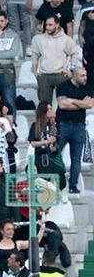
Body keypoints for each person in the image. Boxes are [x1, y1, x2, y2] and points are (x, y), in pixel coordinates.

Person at [54, 67, 92, 195]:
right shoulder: (62, 86)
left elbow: (90, 104)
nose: (85, 78)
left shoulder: (87, 87)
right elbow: (62, 105)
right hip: (63, 126)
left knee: (76, 159)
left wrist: (72, 101)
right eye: (82, 75)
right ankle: (54, 183)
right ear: (74, 76)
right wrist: (81, 103)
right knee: (55, 155)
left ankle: (73, 186)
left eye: (85, 75)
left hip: (79, 127)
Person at [30, 15, 78, 105]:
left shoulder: (66, 39)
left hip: (61, 75)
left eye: (50, 25)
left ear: (57, 24)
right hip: (44, 75)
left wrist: (71, 69)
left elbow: (74, 54)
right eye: (46, 25)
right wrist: (35, 71)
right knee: (44, 105)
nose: (47, 27)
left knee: (64, 104)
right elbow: (35, 56)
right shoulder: (38, 39)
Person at [29, 100, 65, 189]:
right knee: (42, 176)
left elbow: (56, 139)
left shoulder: (54, 125)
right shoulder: (35, 126)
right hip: (40, 156)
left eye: (51, 109)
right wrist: (46, 142)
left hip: (53, 156)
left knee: (60, 171)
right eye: (48, 109)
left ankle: (61, 190)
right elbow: (32, 143)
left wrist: (53, 121)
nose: (51, 111)